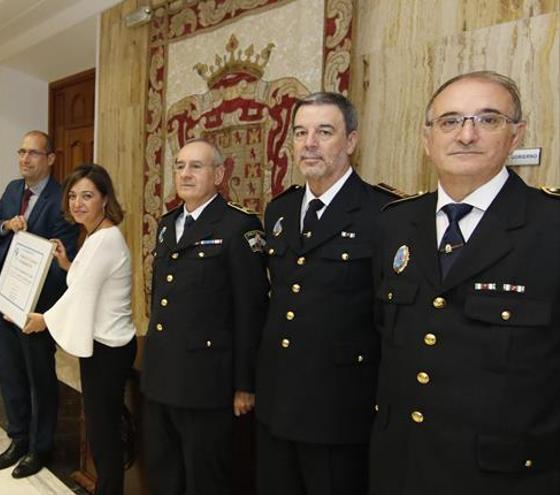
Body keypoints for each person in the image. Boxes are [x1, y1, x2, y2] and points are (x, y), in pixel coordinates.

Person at [371, 71, 560, 494]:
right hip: (401, 464)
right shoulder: (395, 223)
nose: (466, 134)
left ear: (516, 135)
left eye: (488, 120)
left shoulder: (550, 226)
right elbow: (382, 333)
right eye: (450, 121)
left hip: (507, 473)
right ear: (427, 139)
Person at [256, 92, 399, 494]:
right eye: (300, 133)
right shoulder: (280, 211)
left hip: (339, 410)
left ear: (351, 141)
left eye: (324, 132)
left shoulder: (383, 214)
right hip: (277, 404)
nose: (309, 143)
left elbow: (391, 322)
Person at [141, 139, 269, 494]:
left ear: (219, 173)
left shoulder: (237, 227)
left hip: (207, 383)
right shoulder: (168, 224)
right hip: (162, 376)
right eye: (180, 166)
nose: (185, 174)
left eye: (196, 166)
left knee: (205, 480)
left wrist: (245, 383)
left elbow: (251, 310)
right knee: (164, 474)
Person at [24, 164, 136, 495]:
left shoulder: (105, 238)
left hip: (109, 350)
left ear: (105, 198)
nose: (77, 203)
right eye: (72, 196)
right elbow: (87, 279)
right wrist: (66, 264)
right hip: (103, 345)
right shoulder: (94, 234)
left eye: (87, 195)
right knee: (101, 430)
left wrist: (42, 320)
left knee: (104, 436)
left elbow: (81, 294)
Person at [0, 130, 78, 478]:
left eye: (33, 153)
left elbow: (64, 254)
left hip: (36, 307)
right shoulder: (11, 191)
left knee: (40, 380)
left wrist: (32, 293)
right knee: (10, 375)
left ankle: (40, 447)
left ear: (51, 158)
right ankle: (18, 437)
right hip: (5, 301)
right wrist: (6, 225)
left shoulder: (64, 197)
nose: (25, 159)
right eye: (21, 152)